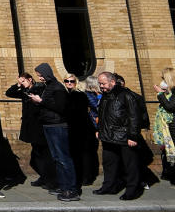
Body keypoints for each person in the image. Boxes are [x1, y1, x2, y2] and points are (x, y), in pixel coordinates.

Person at [26, 63, 78, 201]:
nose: (40, 78)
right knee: (56, 158)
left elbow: (60, 108)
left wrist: (41, 101)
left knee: (63, 158)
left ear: (47, 73)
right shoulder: (48, 87)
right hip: (49, 125)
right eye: (39, 76)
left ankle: (71, 190)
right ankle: (63, 186)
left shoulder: (58, 87)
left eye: (41, 75)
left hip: (57, 126)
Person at [94, 71, 142, 200]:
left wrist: (133, 136)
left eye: (103, 83)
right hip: (108, 136)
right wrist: (99, 129)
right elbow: (102, 114)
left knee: (130, 165)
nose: (101, 86)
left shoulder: (126, 95)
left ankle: (133, 190)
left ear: (112, 82)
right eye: (99, 84)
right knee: (109, 163)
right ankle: (109, 186)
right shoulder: (105, 95)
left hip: (124, 137)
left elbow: (134, 117)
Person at [5, 72, 54, 190]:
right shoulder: (24, 91)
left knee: (43, 155)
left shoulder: (40, 88)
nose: (22, 83)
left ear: (30, 79)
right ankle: (44, 177)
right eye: (21, 81)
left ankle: (49, 179)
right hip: (31, 127)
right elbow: (9, 93)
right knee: (36, 155)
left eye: (24, 81)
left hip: (40, 127)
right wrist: (18, 84)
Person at [64, 73, 98, 187]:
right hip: (72, 129)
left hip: (83, 129)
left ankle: (86, 177)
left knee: (84, 155)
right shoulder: (65, 95)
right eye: (67, 81)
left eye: (72, 81)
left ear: (76, 82)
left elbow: (79, 113)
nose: (69, 83)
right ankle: (79, 176)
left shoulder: (80, 95)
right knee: (76, 154)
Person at [152, 68, 175, 184]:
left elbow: (170, 107)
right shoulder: (169, 92)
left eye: (163, 78)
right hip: (169, 128)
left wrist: (160, 94)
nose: (162, 81)